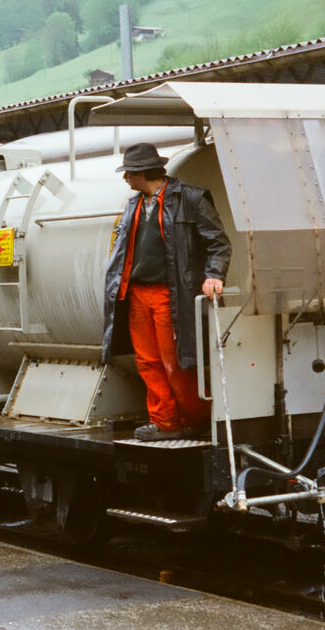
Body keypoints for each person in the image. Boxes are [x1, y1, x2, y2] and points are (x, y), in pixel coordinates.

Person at [101, 143, 232, 442]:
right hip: (137, 294)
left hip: (168, 294)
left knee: (175, 360)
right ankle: (165, 421)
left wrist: (214, 275)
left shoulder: (191, 199)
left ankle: (196, 419)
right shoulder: (134, 204)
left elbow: (218, 242)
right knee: (148, 361)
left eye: (129, 174)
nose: (126, 179)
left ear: (143, 173)